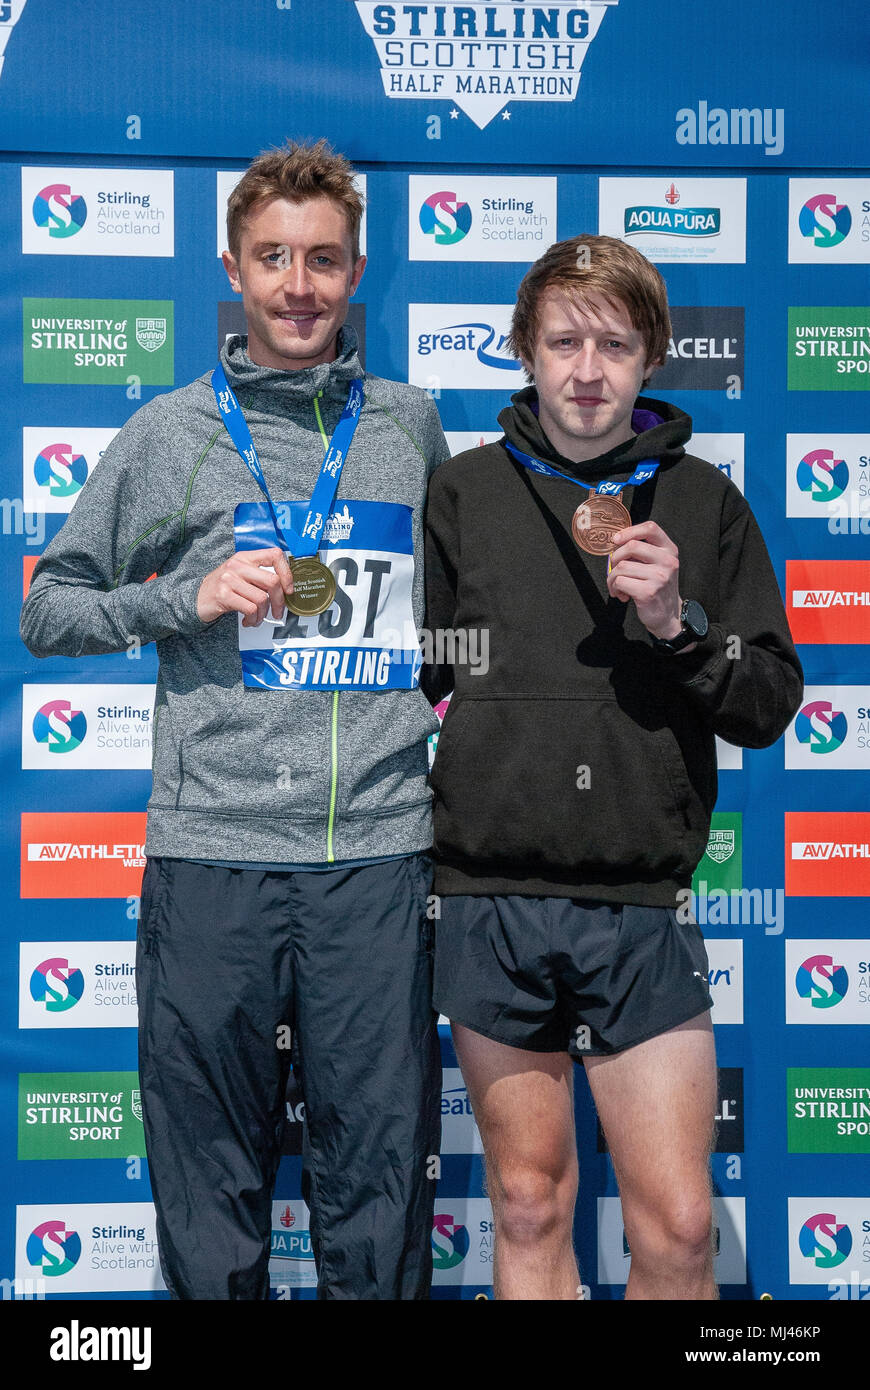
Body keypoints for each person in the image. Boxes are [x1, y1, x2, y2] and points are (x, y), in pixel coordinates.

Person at [20, 139, 449, 1300]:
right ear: (233, 268)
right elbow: (47, 612)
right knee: (209, 1193)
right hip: (211, 857)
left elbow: (454, 621)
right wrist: (184, 597)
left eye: (322, 259)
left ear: (359, 270)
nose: (298, 285)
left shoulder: (410, 426)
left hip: (375, 853)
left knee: (381, 1189)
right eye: (273, 259)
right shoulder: (170, 434)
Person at [423, 234, 802, 1300]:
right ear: (524, 351)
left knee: (681, 1230)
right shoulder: (463, 491)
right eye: (563, 341)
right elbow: (433, 667)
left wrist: (679, 625)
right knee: (532, 1204)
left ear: (653, 357)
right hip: (492, 894)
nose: (587, 370)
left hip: (640, 901)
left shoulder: (705, 501)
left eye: (616, 344)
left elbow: (769, 702)